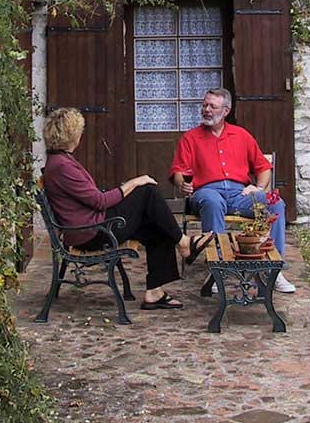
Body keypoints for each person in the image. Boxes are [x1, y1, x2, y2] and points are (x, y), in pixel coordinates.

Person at [43, 107, 213, 310]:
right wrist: (133, 183)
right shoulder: (62, 166)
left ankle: (154, 292)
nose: (81, 134)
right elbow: (99, 201)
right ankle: (184, 242)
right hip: (93, 232)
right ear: (71, 135)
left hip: (93, 225)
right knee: (148, 190)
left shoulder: (60, 161)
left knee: (156, 225)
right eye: (79, 130)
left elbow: (92, 199)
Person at [169, 88, 296, 294]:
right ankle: (217, 267)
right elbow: (178, 172)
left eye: (213, 106)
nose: (207, 110)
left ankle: (273, 268)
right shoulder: (190, 138)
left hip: (240, 195)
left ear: (226, 110)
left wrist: (258, 187)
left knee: (276, 204)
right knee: (212, 201)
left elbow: (263, 168)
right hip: (206, 191)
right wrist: (182, 183)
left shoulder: (241, 135)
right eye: (205, 105)